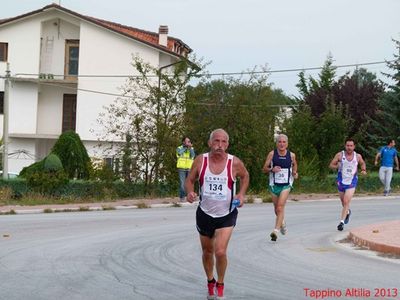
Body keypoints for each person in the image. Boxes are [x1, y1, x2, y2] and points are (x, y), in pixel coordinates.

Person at [185, 129, 249, 300]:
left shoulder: (234, 162)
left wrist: (241, 194)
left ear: (227, 144)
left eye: (223, 142)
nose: (219, 145)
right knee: (207, 251)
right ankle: (210, 280)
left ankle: (220, 284)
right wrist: (190, 193)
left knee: (220, 251)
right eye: (216, 141)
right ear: (210, 143)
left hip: (226, 214)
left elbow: (245, 176)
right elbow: (190, 180)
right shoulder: (201, 160)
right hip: (205, 213)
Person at [262, 134, 298, 242]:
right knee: (276, 209)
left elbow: (295, 164)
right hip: (274, 184)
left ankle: (275, 231)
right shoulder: (272, 154)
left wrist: (295, 172)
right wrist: (272, 169)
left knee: (280, 207)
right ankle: (282, 223)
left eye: (284, 142)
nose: (281, 144)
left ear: (287, 143)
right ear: (276, 143)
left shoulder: (291, 155)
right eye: (279, 142)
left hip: (286, 184)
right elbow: (264, 168)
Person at [329, 138, 367, 231]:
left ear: (354, 146)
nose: (349, 147)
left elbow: (362, 163)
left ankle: (341, 222)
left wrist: (363, 170)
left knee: (346, 201)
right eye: (347, 145)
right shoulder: (340, 155)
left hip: (352, 181)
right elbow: (331, 165)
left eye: (351, 146)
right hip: (341, 181)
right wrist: (336, 166)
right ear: (345, 146)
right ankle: (348, 212)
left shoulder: (357, 156)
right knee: (343, 202)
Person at [176, 136, 195, 202]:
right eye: (187, 141)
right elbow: (179, 153)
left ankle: (190, 197)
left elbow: (192, 156)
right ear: (183, 142)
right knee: (182, 184)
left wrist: (189, 149)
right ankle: (182, 197)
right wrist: (185, 148)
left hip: (189, 168)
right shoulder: (179, 148)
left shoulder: (191, 148)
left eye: (189, 141)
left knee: (189, 183)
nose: (188, 143)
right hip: (181, 168)